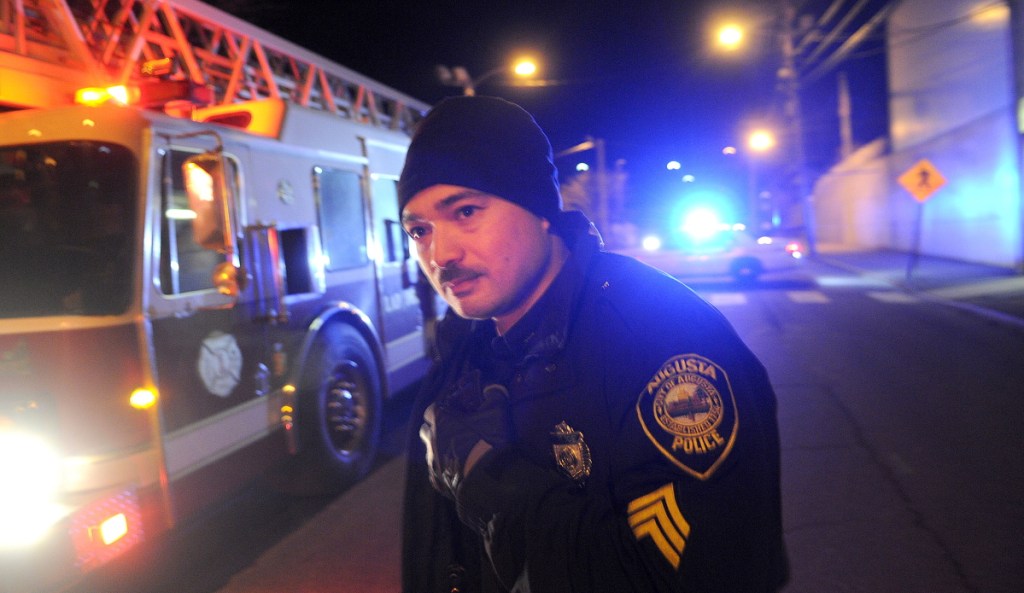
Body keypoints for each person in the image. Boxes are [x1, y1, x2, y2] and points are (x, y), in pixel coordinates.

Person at [398, 96, 788, 593]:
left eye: (467, 210)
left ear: (539, 209)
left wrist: (491, 485)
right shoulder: (463, 355)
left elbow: (707, 575)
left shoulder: (662, 342)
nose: (441, 254)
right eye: (419, 230)